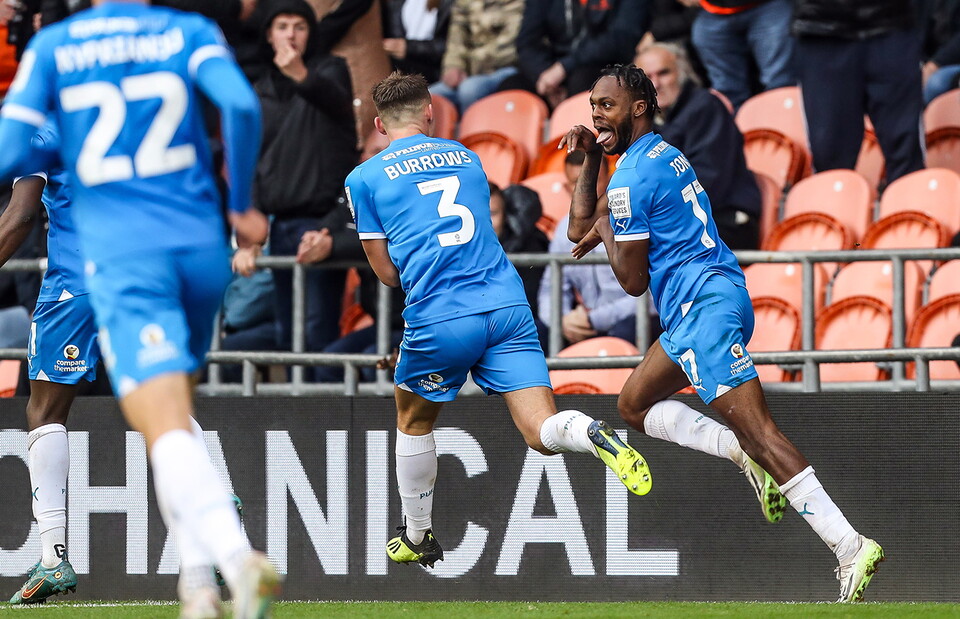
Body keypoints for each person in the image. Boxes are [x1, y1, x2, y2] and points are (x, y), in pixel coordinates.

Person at [561, 64, 883, 602]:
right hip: (715, 295)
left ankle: (849, 546)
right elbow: (578, 228)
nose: (597, 113)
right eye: (593, 105)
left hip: (700, 308)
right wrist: (593, 158)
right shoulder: (663, 153)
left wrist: (609, 231)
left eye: (608, 105)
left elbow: (633, 281)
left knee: (763, 433)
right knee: (633, 405)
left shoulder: (632, 179)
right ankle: (741, 455)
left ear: (638, 107)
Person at [0, 1, 280, 617]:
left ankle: (54, 553)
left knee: (46, 407)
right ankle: (204, 574)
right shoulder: (185, 33)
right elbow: (237, 105)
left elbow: (18, 206)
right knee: (164, 401)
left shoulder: (58, 64)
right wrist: (241, 204)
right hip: (192, 251)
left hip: (92, 269)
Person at [346, 71, 652, 568]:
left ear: (379, 125)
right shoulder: (467, 158)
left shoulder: (363, 178)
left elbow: (386, 274)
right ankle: (591, 432)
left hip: (440, 311)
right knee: (542, 430)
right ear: (430, 113)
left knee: (412, 419)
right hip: (508, 305)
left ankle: (418, 534)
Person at [250, 0, 359, 375]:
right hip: (279, 225)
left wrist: (301, 75)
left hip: (321, 221)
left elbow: (338, 105)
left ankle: (324, 414)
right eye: (282, 26)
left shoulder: (330, 69)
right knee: (287, 334)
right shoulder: (260, 89)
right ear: (269, 34)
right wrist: (249, 233)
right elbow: (250, 161)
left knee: (318, 334)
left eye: (299, 26)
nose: (291, 35)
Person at [635, 42, 761, 250]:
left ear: (682, 73)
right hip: (678, 220)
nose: (655, 84)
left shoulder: (706, 107)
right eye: (647, 78)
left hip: (723, 220)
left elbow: (707, 181)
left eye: (664, 73)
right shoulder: (648, 121)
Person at [793, 0, 924, 184]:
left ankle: (910, 210)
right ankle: (835, 211)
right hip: (821, 30)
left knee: (906, 151)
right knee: (830, 158)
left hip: (892, 25)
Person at [503, 0, 650, 109]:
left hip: (606, 64)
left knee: (585, 82)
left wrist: (564, 67)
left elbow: (622, 37)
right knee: (511, 88)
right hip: (553, 71)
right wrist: (544, 78)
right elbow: (527, 42)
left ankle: (580, 148)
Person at [690, 0, 795, 110]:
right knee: (726, 94)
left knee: (782, 83)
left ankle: (788, 124)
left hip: (768, 5)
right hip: (712, 11)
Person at [428, 0, 523, 113]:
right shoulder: (464, 3)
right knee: (430, 97)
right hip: (470, 73)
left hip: (507, 69)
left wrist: (471, 65)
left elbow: (510, 47)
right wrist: (454, 66)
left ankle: (473, 130)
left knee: (470, 90)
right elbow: (456, 38)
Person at [381, 0, 453, 84]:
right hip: (399, 70)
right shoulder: (396, 3)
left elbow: (452, 46)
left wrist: (409, 47)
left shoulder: (451, 3)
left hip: (434, 72)